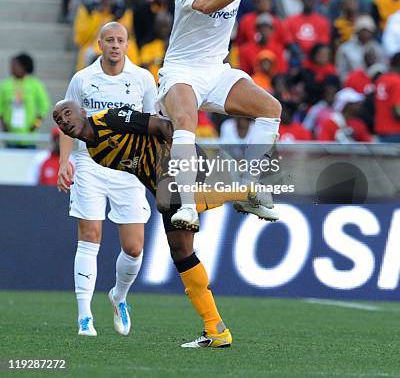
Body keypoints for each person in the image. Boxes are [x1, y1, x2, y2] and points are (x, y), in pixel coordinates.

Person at [53, 100, 279, 348]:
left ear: (83, 113)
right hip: (162, 184)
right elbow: (141, 169)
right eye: (59, 120)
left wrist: (180, 166)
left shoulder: (110, 118)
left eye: (67, 114)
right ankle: (216, 329)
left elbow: (163, 126)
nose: (64, 121)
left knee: (166, 203)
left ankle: (243, 192)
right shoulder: (96, 154)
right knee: (181, 251)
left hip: (178, 162)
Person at [156, 0, 282, 236]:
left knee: (272, 109)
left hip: (216, 72)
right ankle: (187, 206)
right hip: (181, 72)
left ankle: (248, 187)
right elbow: (207, 5)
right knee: (186, 122)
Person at [57, 22, 157, 337]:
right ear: (99, 44)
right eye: (109, 40)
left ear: (128, 45)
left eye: (120, 40)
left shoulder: (142, 79)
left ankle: (119, 296)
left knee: (134, 247)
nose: (115, 45)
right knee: (90, 235)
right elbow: (67, 121)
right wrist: (64, 162)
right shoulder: (83, 79)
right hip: (89, 164)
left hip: (128, 167)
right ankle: (84, 316)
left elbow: (153, 125)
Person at [0, 53, 50, 148]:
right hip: (11, 136)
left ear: (24, 66)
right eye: (11, 65)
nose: (12, 68)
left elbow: (44, 106)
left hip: (29, 137)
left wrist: (36, 123)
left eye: (15, 65)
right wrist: (4, 125)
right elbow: (0, 107)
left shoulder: (35, 84)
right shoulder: (5, 85)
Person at [374, 51, 400, 142]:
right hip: (398, 132)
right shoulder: (397, 81)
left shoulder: (381, 79)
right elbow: (397, 110)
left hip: (381, 131)